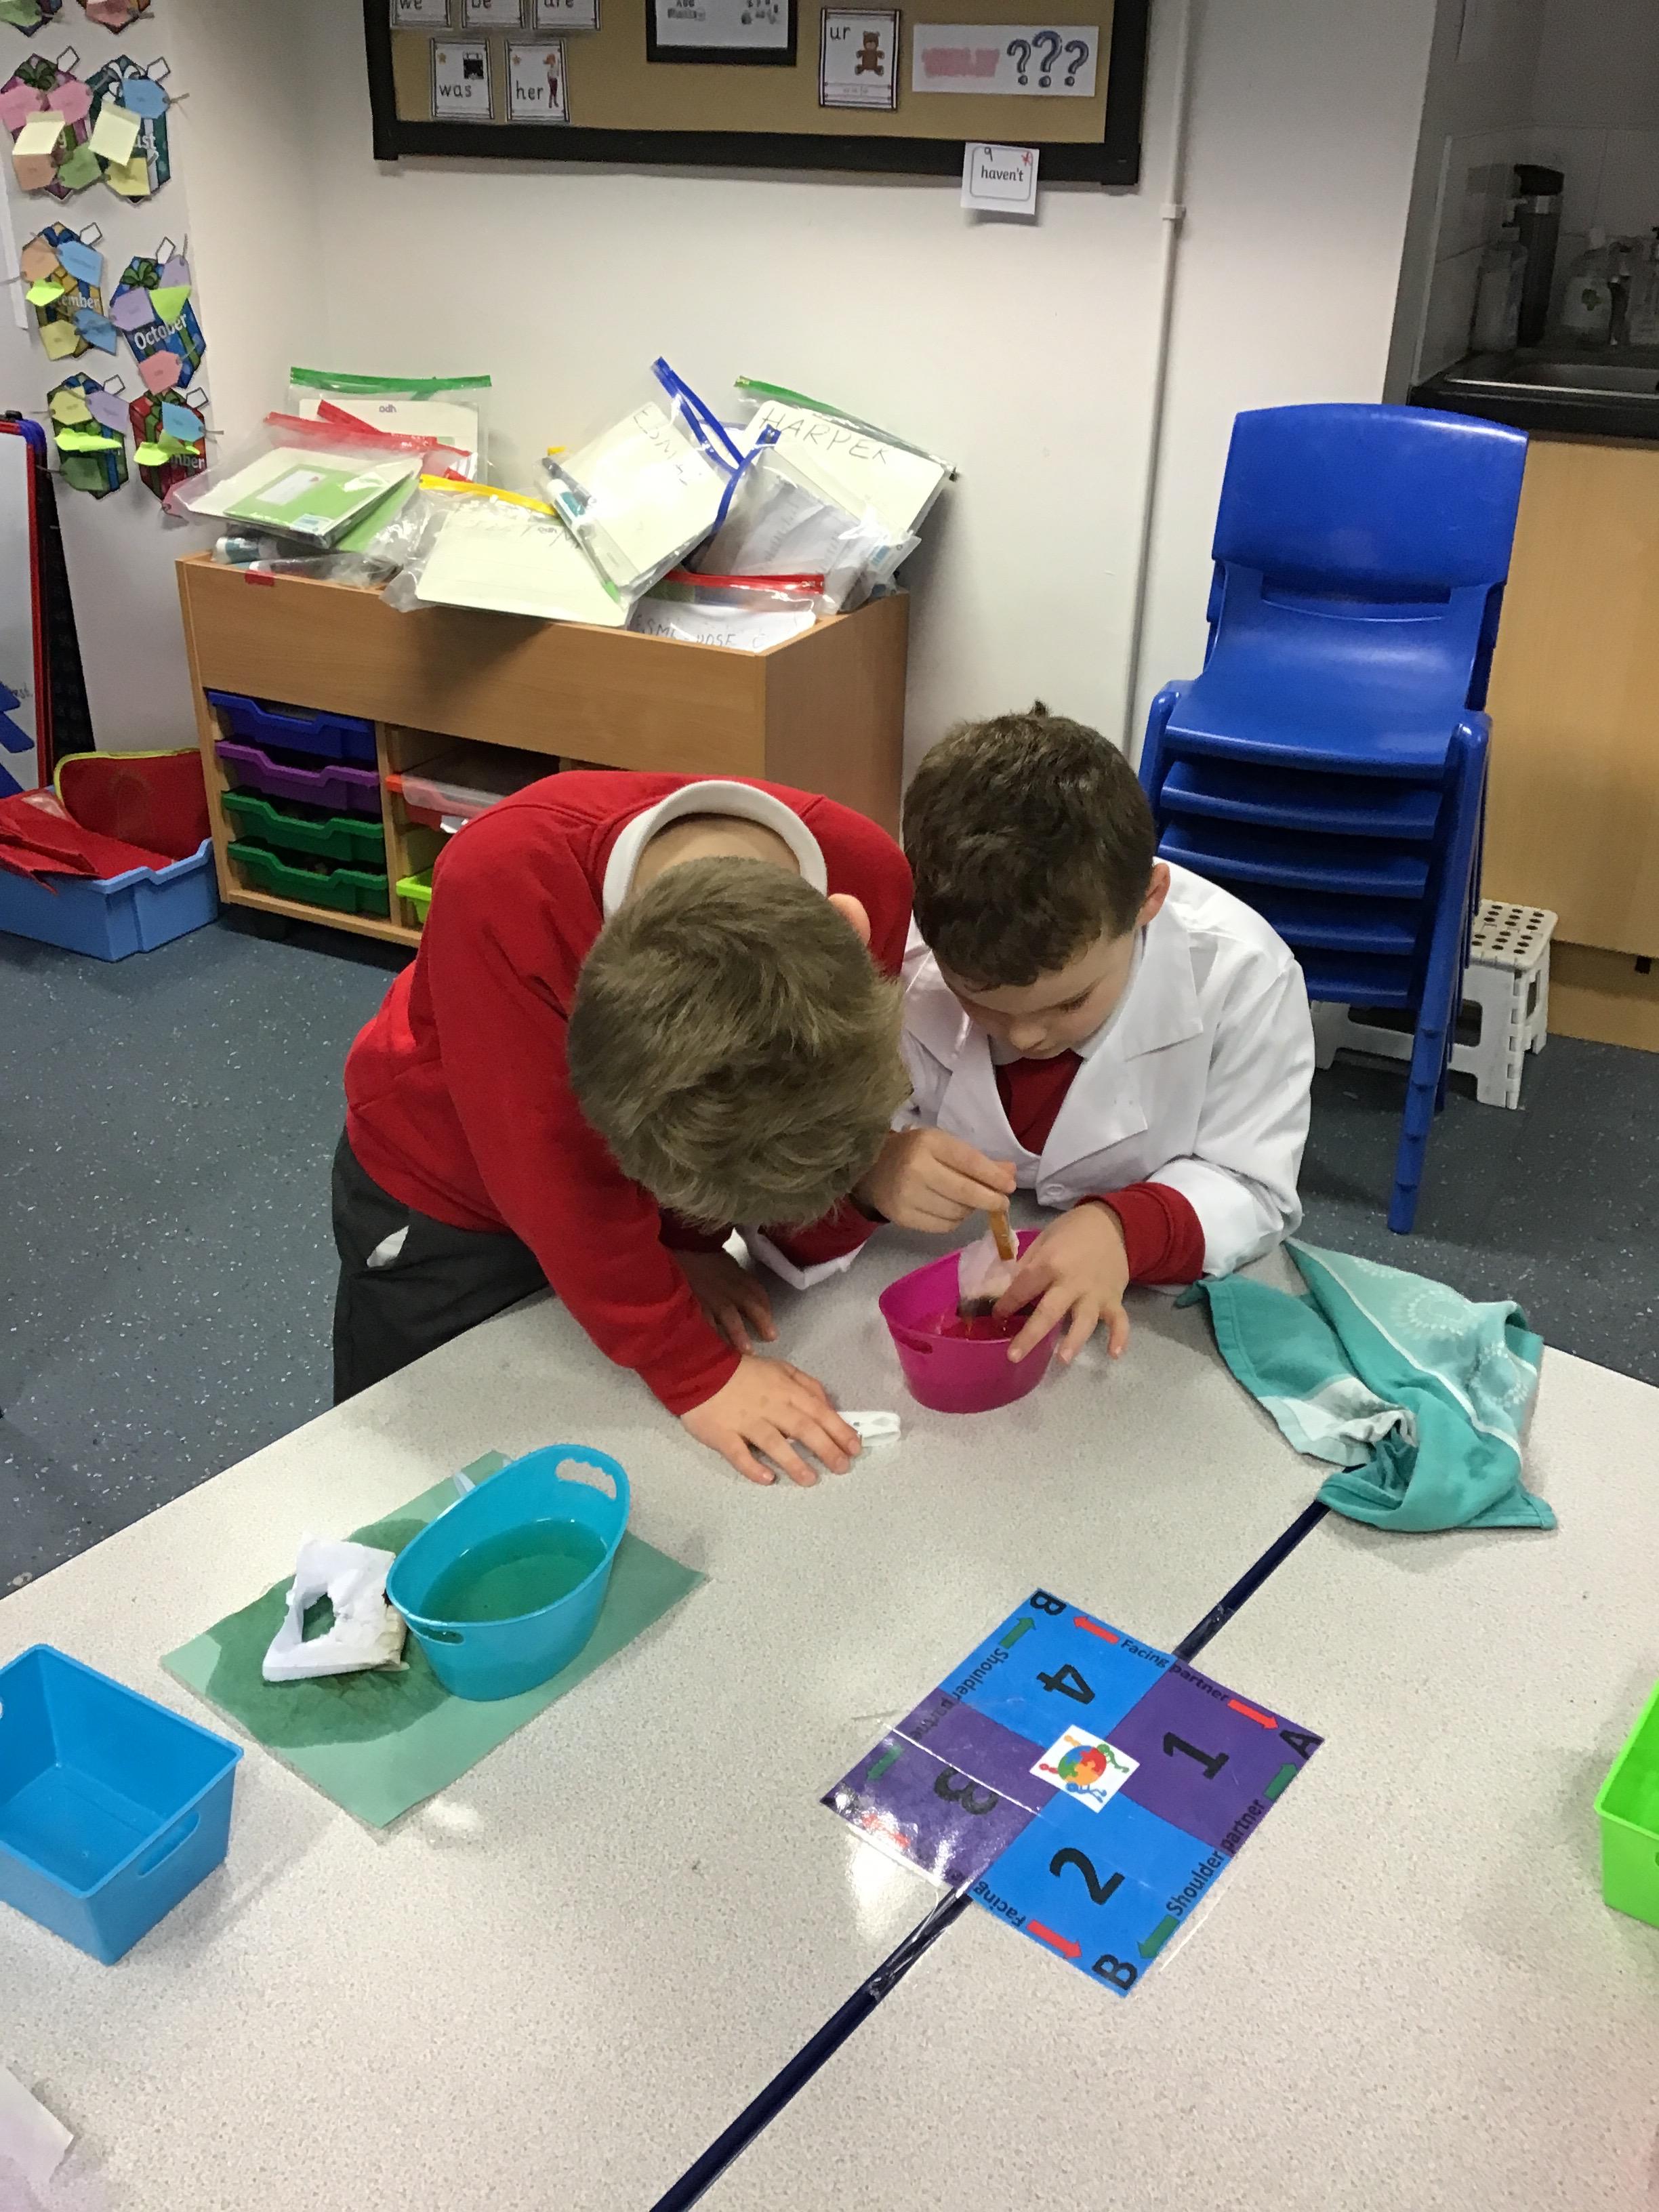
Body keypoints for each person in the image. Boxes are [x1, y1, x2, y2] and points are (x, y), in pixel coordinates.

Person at [334, 771, 1004, 1485]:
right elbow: (557, 1182)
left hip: (625, 1204)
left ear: (849, 925)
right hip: (447, 1204)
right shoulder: (500, 882)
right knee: (400, 1465)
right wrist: (695, 1371)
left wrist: (690, 1240)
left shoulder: (868, 873)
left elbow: (787, 1117)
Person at [890, 705, 1315, 1368]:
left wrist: (1125, 1229)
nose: (1026, 1037)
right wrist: (874, 1163)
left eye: (1070, 1002)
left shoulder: (1246, 976)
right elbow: (833, 1119)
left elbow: (1254, 1186)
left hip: (1154, 1318)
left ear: (1149, 900)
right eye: (978, 1000)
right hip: (919, 1254)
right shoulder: (901, 952)